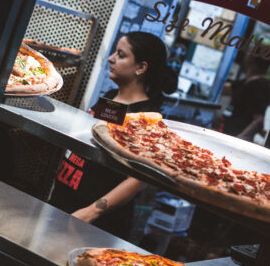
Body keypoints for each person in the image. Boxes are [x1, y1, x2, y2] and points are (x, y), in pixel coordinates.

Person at [49, 32, 178, 238]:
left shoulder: (146, 116)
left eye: (121, 54)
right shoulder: (110, 98)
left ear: (141, 68)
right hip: (64, 202)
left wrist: (92, 212)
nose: (111, 58)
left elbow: (138, 180)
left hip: (92, 223)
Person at [221, 53, 270, 141]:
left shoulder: (260, 85)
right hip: (229, 133)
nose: (246, 55)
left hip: (237, 138)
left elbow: (259, 120)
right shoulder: (247, 81)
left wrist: (240, 138)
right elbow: (228, 89)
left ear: (253, 61)